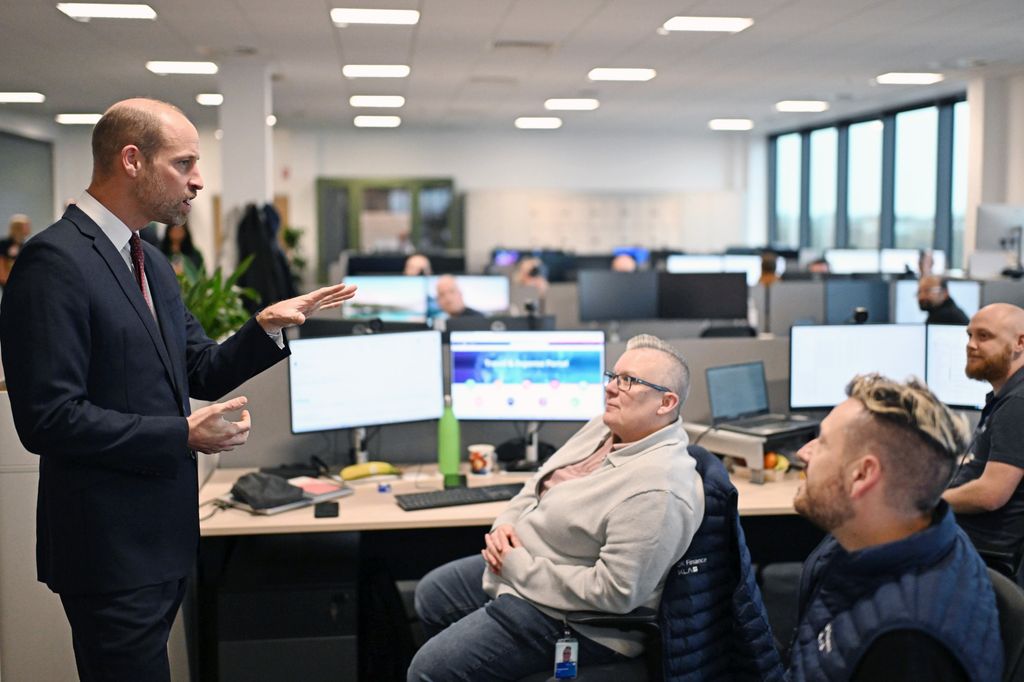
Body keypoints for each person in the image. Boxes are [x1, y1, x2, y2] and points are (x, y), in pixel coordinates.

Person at [0, 98, 357, 681]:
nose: (198, 181)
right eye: (185, 163)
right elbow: (47, 419)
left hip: (163, 538)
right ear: (133, 160)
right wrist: (180, 433)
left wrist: (265, 328)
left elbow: (198, 369)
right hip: (107, 546)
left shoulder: (151, 263)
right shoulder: (55, 261)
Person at [408, 335, 704, 680]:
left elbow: (616, 593)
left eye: (628, 382)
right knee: (432, 594)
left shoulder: (658, 489)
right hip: (525, 566)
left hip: (574, 619)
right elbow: (540, 482)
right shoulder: (606, 428)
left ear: (666, 402)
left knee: (428, 671)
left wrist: (517, 566)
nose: (610, 389)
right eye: (613, 376)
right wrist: (505, 525)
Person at [789, 374, 1001, 682]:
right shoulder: (886, 540)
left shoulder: (907, 643)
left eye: (821, 442)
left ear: (862, 475)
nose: (803, 453)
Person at [944, 303, 1024, 577]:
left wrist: (928, 503)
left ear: (1020, 342)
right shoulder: (1007, 397)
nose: (971, 345)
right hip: (969, 543)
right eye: (969, 335)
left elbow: (991, 494)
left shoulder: (1017, 403)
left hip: (980, 555)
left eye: (984, 336)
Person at [0, 213, 30, 287]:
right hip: (8, 281)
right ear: (17, 227)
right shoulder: (4, 244)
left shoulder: (24, 245)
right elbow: (1, 265)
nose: (29, 228)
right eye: (26, 226)